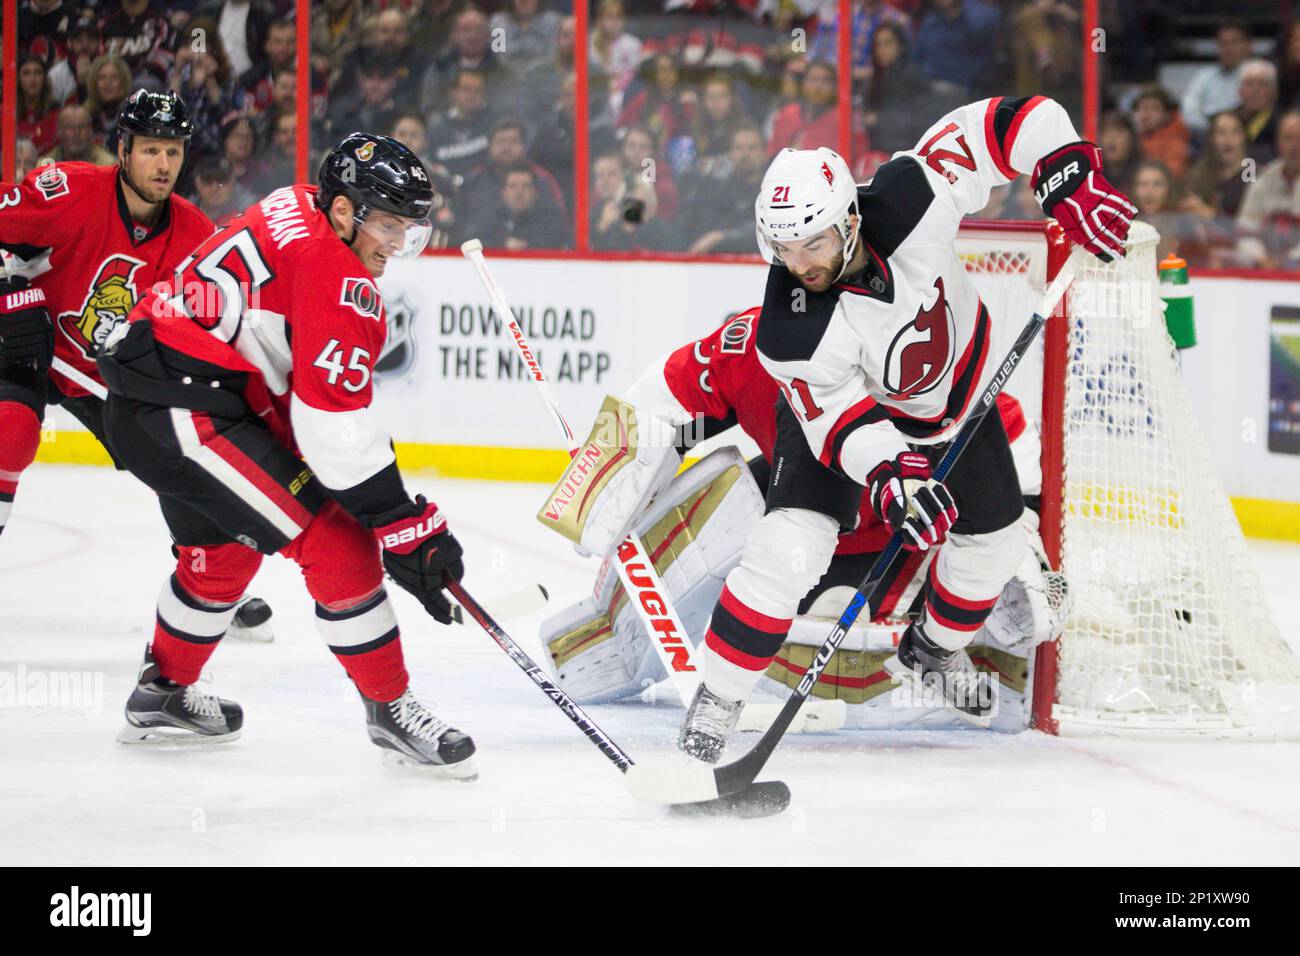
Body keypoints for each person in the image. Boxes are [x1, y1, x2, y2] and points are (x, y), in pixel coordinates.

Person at [668, 95, 1134, 761]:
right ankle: (718, 696)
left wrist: (1064, 171)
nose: (801, 263)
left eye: (815, 243)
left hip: (958, 408)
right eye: (784, 247)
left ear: (850, 220)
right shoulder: (790, 326)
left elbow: (1003, 123)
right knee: (787, 549)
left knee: (993, 546)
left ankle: (930, 651)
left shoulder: (911, 194)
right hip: (845, 423)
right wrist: (890, 475)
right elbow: (842, 423)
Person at [95, 133, 476, 774]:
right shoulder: (338, 279)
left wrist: (393, 513)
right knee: (339, 543)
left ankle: (160, 693)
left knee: (224, 554)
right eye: (386, 224)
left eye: (408, 228)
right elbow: (333, 434)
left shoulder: (297, 201)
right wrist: (403, 523)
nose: (395, 243)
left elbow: (304, 399)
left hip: (163, 390)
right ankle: (391, 709)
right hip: (189, 410)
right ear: (344, 211)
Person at [536, 308, 1054, 722]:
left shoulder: (904, 366)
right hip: (805, 505)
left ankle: (937, 648)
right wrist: (599, 492)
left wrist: (1024, 530)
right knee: (732, 505)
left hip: (895, 530)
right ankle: (623, 632)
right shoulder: (745, 354)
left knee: (858, 600)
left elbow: (1004, 439)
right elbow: (662, 407)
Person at [0, 89, 273, 640]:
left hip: (103, 374)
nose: (164, 164)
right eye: (151, 150)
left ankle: (213, 577)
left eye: (173, 152)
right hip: (26, 346)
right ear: (123, 150)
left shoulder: (196, 234)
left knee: (177, 456)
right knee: (11, 429)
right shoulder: (70, 190)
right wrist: (7, 293)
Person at [1181, 21, 1253, 137]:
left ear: (1249, 46)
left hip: (1245, 133)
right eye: (1223, 43)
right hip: (1205, 134)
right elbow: (1189, 110)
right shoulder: (1204, 76)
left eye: (1234, 42)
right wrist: (1213, 131)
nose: (1228, 48)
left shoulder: (1257, 76)